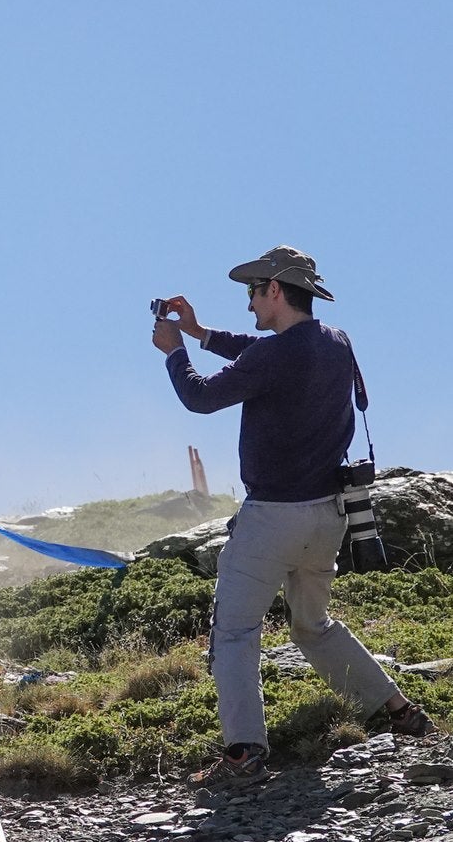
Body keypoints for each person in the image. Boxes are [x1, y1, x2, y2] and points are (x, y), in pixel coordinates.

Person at [151, 245, 437, 795]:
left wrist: (175, 351)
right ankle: (399, 711)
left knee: (235, 633)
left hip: (270, 521)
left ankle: (244, 754)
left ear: (276, 290)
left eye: (254, 292)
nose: (250, 302)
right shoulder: (336, 343)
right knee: (313, 626)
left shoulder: (272, 357)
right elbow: (262, 351)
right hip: (328, 518)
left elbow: (201, 398)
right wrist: (202, 331)